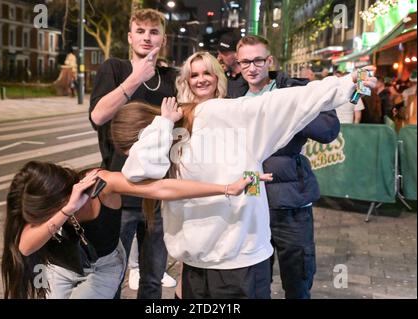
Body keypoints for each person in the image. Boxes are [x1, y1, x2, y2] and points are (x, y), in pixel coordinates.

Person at [113, 50, 377, 298]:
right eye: (193, 75)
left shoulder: (224, 112)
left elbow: (278, 103)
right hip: (198, 261)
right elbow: (137, 172)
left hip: (238, 259)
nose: (200, 80)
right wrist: (163, 124)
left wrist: (344, 84)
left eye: (206, 73)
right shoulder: (170, 130)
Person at [1, 159, 267, 299]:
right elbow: (25, 246)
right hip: (60, 268)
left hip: (104, 265)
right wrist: (67, 210)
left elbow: (161, 188)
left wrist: (225, 189)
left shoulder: (101, 183)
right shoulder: (41, 199)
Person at [235, 35, 340, 298]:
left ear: (269, 60)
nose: (252, 67)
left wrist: (289, 108)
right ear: (238, 64)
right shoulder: (232, 94)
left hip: (291, 202)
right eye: (245, 61)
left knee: (297, 280)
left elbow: (328, 130)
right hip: (251, 200)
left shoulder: (293, 90)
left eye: (258, 60)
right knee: (255, 282)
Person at [89, 8, 177, 299]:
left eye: (153, 32)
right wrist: (136, 78)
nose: (147, 38)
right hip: (119, 192)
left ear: (162, 39)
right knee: (112, 275)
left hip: (158, 194)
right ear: (130, 37)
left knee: (152, 277)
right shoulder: (114, 69)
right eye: (140, 31)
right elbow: (98, 116)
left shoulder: (171, 78)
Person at [216, 30, 248, 98]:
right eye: (218, 53)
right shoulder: (220, 77)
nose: (219, 58)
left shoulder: (249, 78)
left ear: (237, 54)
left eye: (224, 54)